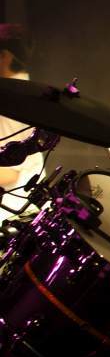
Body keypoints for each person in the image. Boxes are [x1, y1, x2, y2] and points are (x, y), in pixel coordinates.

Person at [0, 24, 44, 224]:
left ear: (5, 56)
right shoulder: (27, 91)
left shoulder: (10, 101)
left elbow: (11, 172)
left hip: (11, 213)